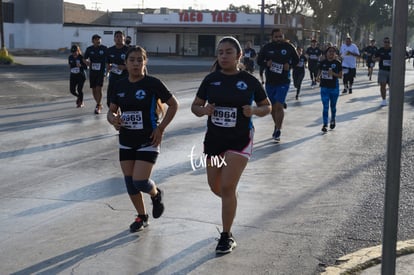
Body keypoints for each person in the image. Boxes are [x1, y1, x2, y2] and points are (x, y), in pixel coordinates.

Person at [191, 36, 271, 254]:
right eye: (220, 52)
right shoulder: (211, 80)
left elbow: (267, 107)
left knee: (226, 186)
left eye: (228, 52)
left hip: (240, 139)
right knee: (215, 186)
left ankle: (226, 236)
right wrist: (204, 110)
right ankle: (231, 201)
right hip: (215, 140)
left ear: (239, 55)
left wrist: (253, 111)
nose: (224, 56)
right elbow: (195, 107)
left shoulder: (250, 81)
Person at [107, 46, 179, 233]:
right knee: (130, 182)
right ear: (126, 63)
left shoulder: (153, 83)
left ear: (145, 62)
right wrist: (113, 119)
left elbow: (173, 104)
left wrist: (161, 128)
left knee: (140, 181)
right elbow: (111, 110)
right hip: (126, 140)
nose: (136, 63)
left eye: (140, 60)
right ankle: (142, 216)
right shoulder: (120, 85)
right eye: (132, 60)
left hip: (149, 139)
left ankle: (155, 194)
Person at [257, 28, 299, 142]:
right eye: (276, 37)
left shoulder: (289, 47)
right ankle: (276, 125)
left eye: (280, 36)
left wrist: (289, 65)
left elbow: (297, 60)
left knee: (279, 106)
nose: (278, 39)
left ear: (283, 36)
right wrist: (266, 63)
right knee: (273, 108)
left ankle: (278, 130)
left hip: (283, 81)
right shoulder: (267, 48)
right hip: (270, 81)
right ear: (272, 37)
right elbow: (259, 61)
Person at [316, 46, 342, 132]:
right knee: (325, 106)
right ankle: (325, 124)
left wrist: (333, 74)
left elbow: (340, 76)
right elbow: (319, 72)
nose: (331, 53)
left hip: (334, 88)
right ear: (326, 53)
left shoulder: (337, 63)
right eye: (329, 51)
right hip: (324, 87)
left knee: (333, 107)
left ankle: (333, 119)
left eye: (333, 52)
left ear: (335, 54)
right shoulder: (322, 62)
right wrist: (317, 77)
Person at [84, 34, 108, 114]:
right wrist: (87, 62)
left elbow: (109, 59)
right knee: (94, 90)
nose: (98, 41)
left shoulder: (104, 48)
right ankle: (99, 103)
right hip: (93, 72)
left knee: (99, 88)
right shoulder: (89, 49)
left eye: (99, 39)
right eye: (96, 39)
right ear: (92, 41)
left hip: (101, 72)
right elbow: (84, 58)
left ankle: (98, 105)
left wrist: (107, 71)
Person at [106, 30, 129, 107]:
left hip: (125, 77)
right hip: (113, 77)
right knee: (111, 97)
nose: (118, 38)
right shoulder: (110, 50)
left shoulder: (128, 50)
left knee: (124, 96)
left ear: (124, 38)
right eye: (117, 37)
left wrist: (125, 67)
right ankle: (113, 110)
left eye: (120, 36)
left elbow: (134, 63)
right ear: (114, 39)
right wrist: (108, 67)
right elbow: (107, 62)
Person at [373, 37, 392, 106]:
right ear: (383, 43)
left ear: (390, 43)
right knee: (382, 85)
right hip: (382, 70)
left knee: (391, 86)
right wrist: (376, 59)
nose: (386, 43)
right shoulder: (380, 50)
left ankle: (391, 99)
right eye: (385, 42)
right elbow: (373, 58)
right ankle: (384, 100)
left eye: (388, 42)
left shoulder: (393, 50)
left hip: (392, 71)